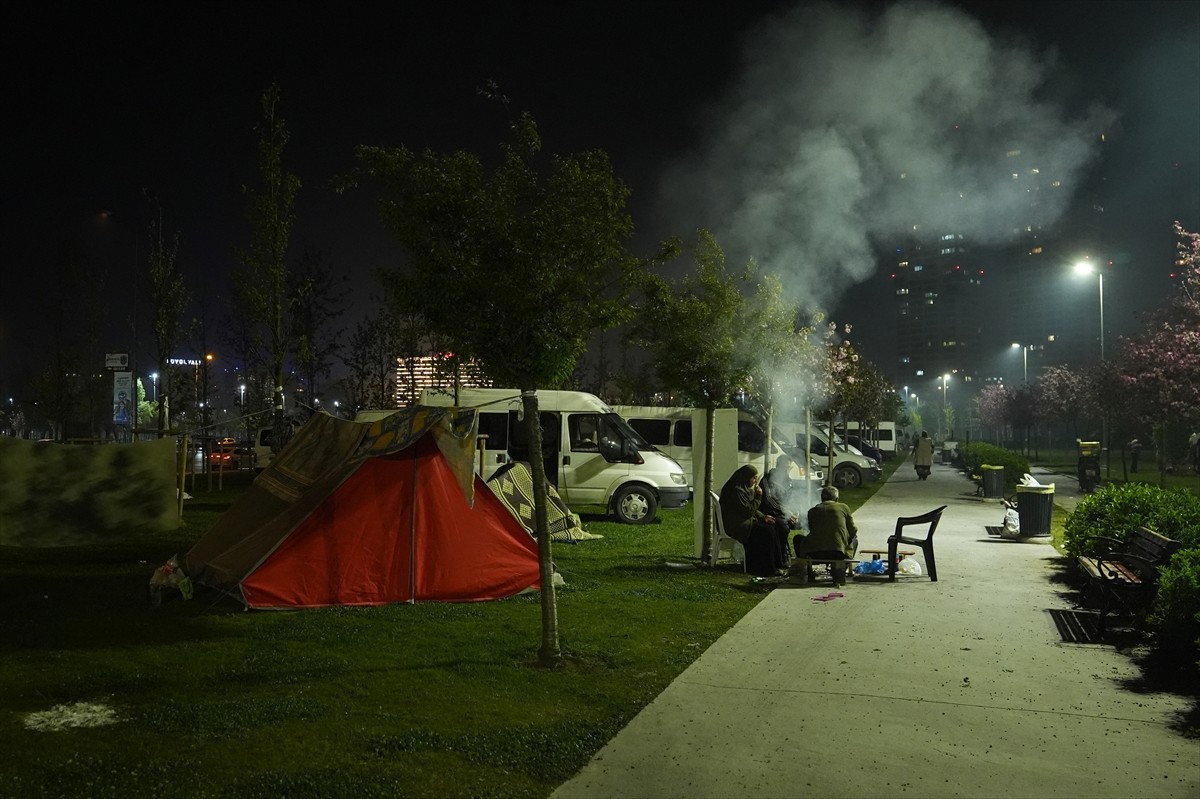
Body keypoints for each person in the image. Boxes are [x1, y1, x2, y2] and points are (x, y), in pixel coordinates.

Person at [718, 464, 786, 577]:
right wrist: (758, 496)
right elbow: (749, 510)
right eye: (753, 478)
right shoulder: (736, 490)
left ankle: (777, 563)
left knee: (773, 526)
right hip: (737, 525)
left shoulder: (743, 488)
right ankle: (766, 568)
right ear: (746, 477)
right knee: (766, 531)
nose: (755, 481)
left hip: (745, 520)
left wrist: (763, 517)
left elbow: (751, 509)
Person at [796, 485, 859, 587]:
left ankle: (808, 572)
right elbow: (853, 530)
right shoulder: (844, 507)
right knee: (854, 539)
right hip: (838, 553)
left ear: (821, 498)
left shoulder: (812, 511)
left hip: (815, 553)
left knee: (798, 539)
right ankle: (840, 569)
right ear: (836, 498)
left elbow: (811, 530)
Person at [760, 457, 800, 566]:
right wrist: (787, 512)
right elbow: (769, 500)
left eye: (789, 467)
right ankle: (780, 558)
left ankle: (805, 559)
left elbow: (791, 499)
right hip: (770, 513)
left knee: (804, 521)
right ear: (779, 466)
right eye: (785, 467)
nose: (787, 470)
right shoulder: (768, 479)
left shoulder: (788, 481)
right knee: (783, 527)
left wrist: (795, 512)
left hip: (784, 513)